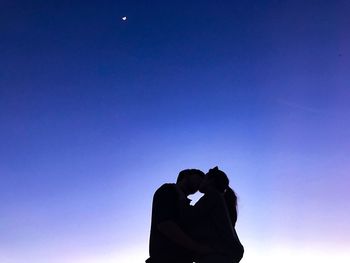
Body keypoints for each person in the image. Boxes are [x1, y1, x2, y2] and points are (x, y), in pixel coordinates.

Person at [146, 168, 210, 263]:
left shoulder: (184, 202)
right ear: (186, 176)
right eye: (198, 178)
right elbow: (165, 225)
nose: (200, 182)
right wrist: (198, 247)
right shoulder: (168, 190)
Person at [184, 167, 244, 263]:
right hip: (222, 254)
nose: (201, 182)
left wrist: (181, 200)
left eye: (204, 178)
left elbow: (190, 217)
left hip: (218, 255)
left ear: (210, 181)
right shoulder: (217, 198)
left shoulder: (212, 195)